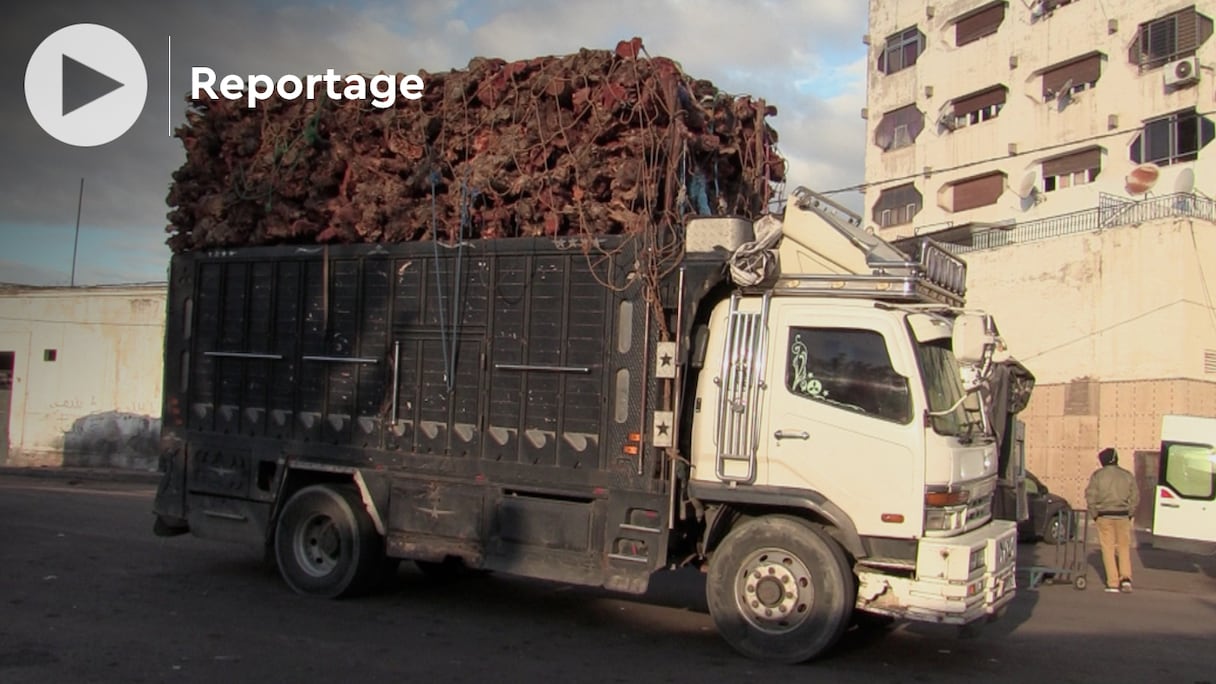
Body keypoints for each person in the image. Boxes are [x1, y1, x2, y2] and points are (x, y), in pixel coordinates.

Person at [1084, 447, 1139, 593]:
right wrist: (1130, 513)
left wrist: (1094, 514)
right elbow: (1135, 497)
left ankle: (1113, 583)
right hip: (1123, 515)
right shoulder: (1127, 475)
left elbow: (1090, 496)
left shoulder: (1097, 476)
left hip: (1104, 515)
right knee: (1123, 547)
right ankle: (1126, 579)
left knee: (1107, 548)